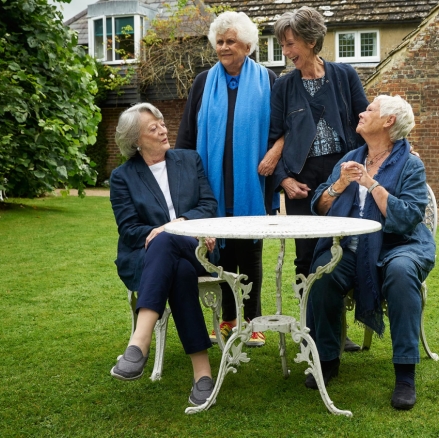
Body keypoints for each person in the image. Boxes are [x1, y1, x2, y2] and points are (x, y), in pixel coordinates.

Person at [306, 95, 436, 411]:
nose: (362, 113)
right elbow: (319, 205)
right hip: (352, 246)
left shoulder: (410, 164)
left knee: (402, 272)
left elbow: (407, 218)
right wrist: (338, 185)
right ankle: (327, 357)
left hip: (399, 244)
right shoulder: (350, 157)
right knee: (323, 272)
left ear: (389, 121)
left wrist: (370, 182)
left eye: (370, 109)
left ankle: (405, 374)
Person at [176, 11, 282, 348]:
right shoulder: (203, 82)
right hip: (213, 187)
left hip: (253, 186)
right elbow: (187, 137)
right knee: (219, 255)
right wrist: (186, 181)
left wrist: (274, 152)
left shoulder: (269, 80)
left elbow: (284, 131)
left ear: (248, 46)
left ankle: (253, 322)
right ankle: (227, 320)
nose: (223, 47)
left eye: (230, 41)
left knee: (249, 254)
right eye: (219, 41)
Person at [268, 6, 369, 352]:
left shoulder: (344, 76)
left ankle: (335, 332)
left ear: (311, 41)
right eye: (282, 45)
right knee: (306, 257)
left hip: (341, 174)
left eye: (291, 44)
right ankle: (309, 332)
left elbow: (365, 121)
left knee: (340, 253)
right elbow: (274, 138)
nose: (286, 52)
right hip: (302, 180)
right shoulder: (283, 86)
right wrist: (283, 181)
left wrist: (397, 148)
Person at [109, 103, 218, 406]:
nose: (163, 129)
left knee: (169, 238)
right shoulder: (122, 177)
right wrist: (164, 233)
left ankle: (138, 343)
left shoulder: (189, 159)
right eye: (153, 127)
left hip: (197, 247)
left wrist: (176, 225)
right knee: (179, 272)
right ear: (136, 141)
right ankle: (202, 373)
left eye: (161, 123)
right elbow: (130, 230)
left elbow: (208, 205)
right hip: (148, 257)